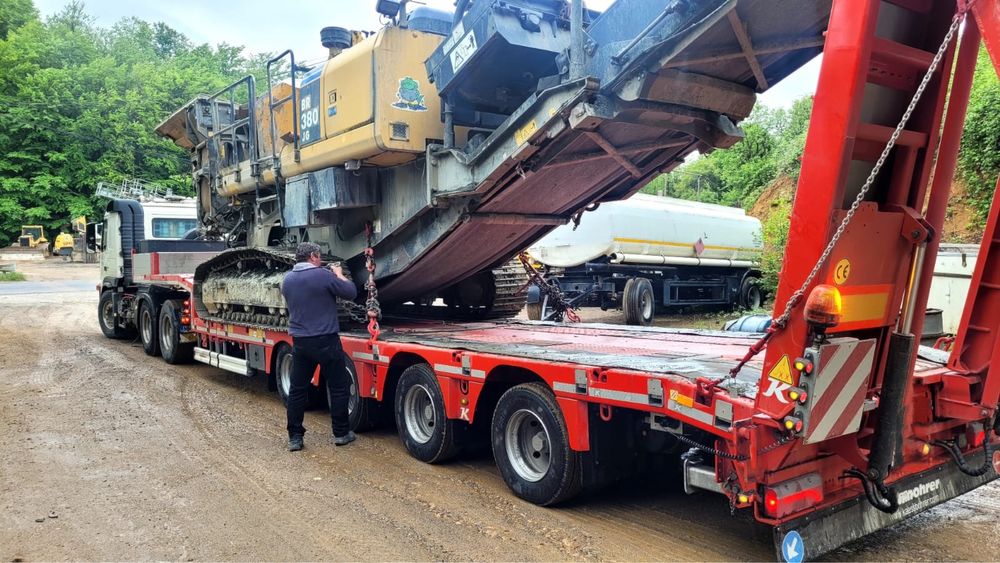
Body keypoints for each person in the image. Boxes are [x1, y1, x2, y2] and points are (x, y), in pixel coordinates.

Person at [280, 242, 358, 451]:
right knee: (338, 387)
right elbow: (350, 292)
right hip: (326, 341)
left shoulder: (287, 280)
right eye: (319, 256)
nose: (321, 259)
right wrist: (339, 274)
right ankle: (341, 433)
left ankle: (295, 438)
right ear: (313, 256)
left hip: (301, 343)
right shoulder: (322, 276)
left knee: (297, 390)